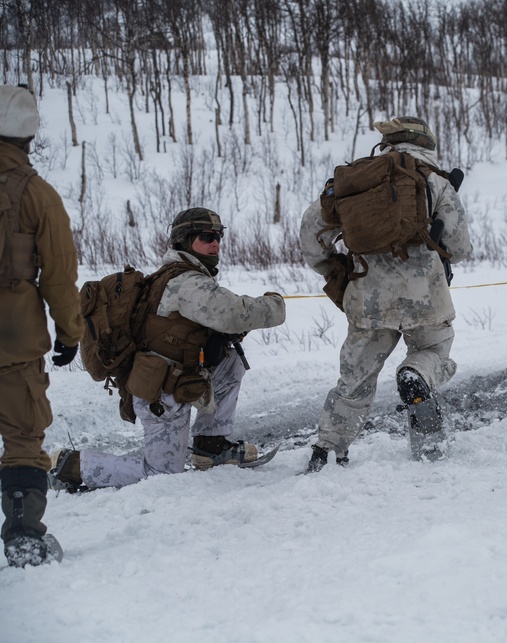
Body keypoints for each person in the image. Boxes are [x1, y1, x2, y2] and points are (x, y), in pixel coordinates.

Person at [49, 208, 286, 490]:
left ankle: (211, 446)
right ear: (185, 241)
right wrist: (275, 303)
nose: (216, 243)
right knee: (160, 475)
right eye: (206, 236)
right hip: (160, 392)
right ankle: (70, 465)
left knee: (230, 358)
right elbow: (235, 313)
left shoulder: (179, 275)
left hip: (177, 378)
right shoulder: (187, 283)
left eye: (218, 236)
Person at [299, 116, 472, 471]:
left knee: (355, 378)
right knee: (433, 351)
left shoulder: (354, 182)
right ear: (426, 143)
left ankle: (329, 448)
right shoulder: (435, 179)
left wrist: (334, 270)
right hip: (426, 295)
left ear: (387, 143)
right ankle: (418, 374)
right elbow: (459, 244)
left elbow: (310, 232)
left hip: (367, 298)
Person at [0, 85, 83, 566]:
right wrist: (70, 333)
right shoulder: (37, 195)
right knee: (23, 438)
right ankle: (24, 536)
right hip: (13, 340)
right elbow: (58, 274)